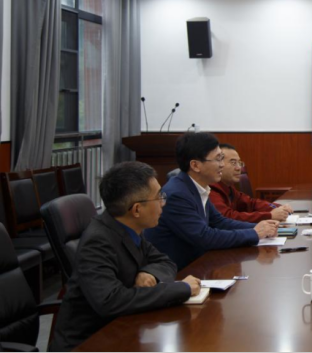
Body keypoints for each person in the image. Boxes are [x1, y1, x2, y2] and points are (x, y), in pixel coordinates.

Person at [50, 162, 202, 352]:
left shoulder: (128, 227)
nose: (163, 203)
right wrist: (181, 289)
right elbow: (110, 301)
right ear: (137, 209)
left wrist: (150, 274)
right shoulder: (98, 241)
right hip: (89, 341)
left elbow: (165, 261)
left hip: (123, 328)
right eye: (159, 197)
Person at [145, 132, 279, 270]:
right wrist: (254, 233)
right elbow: (204, 237)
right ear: (195, 165)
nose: (222, 165)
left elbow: (220, 222)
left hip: (197, 265)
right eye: (218, 159)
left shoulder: (196, 187)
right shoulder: (177, 194)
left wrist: (260, 227)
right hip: (178, 272)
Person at [210, 144, 294, 223]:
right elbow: (227, 217)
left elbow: (251, 203)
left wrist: (278, 207)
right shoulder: (211, 189)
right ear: (219, 163)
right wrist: (269, 215)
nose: (239, 168)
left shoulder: (228, 187)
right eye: (233, 163)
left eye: (239, 163)